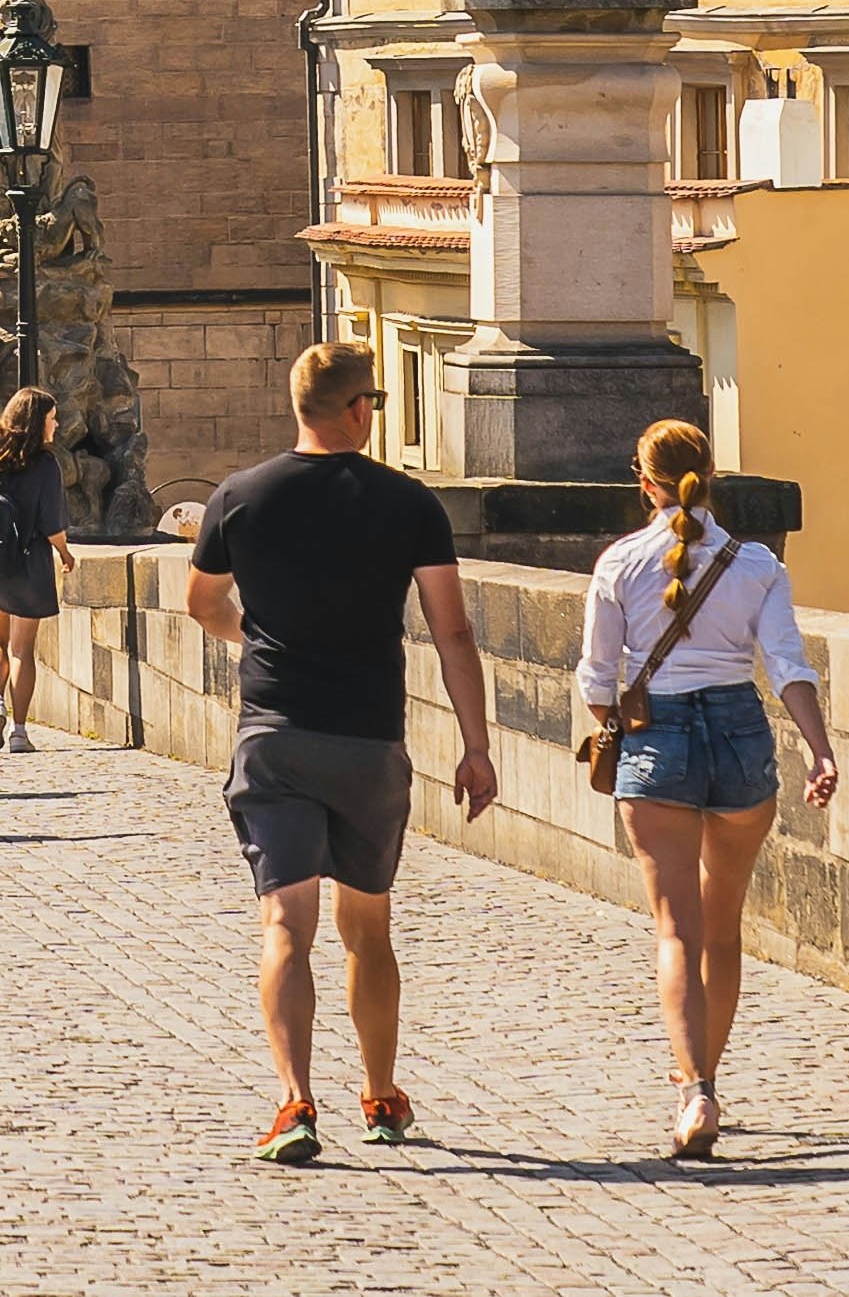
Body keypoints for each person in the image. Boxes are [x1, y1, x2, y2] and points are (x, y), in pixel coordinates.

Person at [186, 343, 501, 1165]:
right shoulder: (408, 503)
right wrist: (476, 744)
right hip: (367, 738)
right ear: (357, 408)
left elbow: (202, 601)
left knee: (285, 923)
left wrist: (253, 637)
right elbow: (452, 629)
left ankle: (294, 1102)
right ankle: (382, 1096)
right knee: (365, 926)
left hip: (275, 733)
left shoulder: (238, 496)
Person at [581, 415, 834, 1162]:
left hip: (656, 736)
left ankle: (694, 1090)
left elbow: (597, 681)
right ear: (710, 473)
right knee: (722, 928)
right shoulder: (756, 563)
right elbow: (787, 663)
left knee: (675, 930)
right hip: (739, 735)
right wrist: (820, 750)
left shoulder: (620, 561)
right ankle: (709, 1074)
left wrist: (622, 722)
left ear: (645, 480)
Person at [0, 386, 71, 756]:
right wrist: (65, 554)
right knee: (23, 650)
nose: (55, 425)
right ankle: (20, 732)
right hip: (29, 565)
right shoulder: (44, 464)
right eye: (52, 418)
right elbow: (52, 524)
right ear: (37, 421)